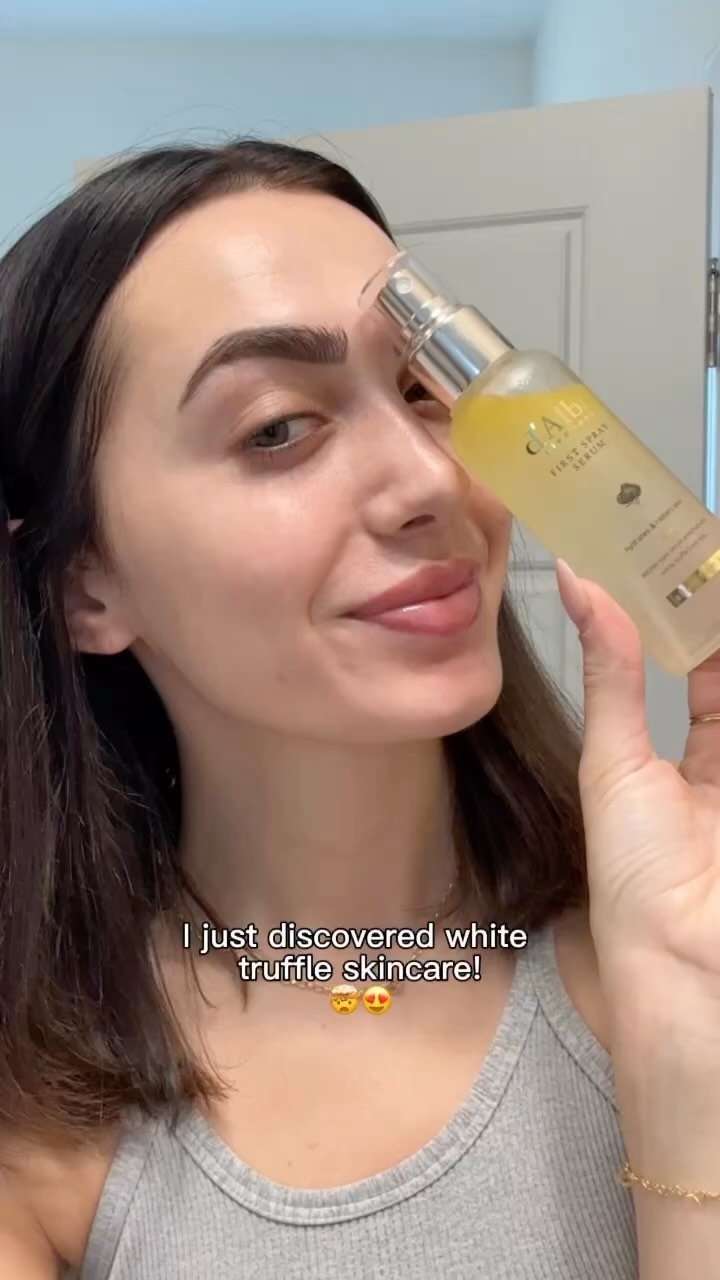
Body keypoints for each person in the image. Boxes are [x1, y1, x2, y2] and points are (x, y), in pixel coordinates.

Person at [0, 139, 718, 1280]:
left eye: (427, 389)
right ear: (86, 585)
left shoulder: (680, 940)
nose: (434, 480)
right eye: (278, 427)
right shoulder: (40, 1140)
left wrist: (687, 1043)